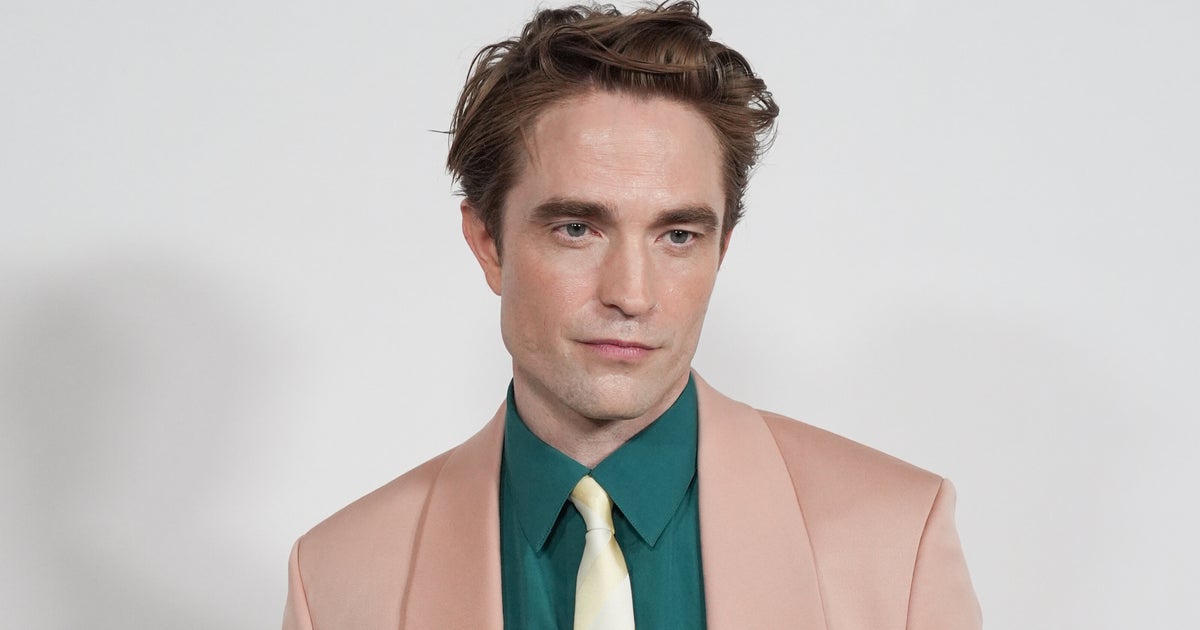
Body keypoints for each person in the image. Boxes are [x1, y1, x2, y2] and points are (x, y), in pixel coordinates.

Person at [281, 2, 981, 628]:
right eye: (577, 229)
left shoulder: (897, 539)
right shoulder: (337, 579)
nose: (632, 294)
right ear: (488, 242)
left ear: (721, 250)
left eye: (678, 235)